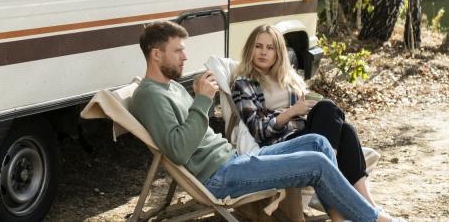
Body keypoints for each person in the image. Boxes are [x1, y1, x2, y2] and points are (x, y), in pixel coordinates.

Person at [129, 21, 402, 222]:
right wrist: (202, 101)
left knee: (319, 142)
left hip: (233, 160)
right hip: (219, 177)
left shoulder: (172, 88)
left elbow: (192, 131)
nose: (185, 57)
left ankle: (338, 215)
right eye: (177, 51)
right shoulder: (149, 96)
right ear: (156, 54)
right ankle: (375, 219)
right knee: (317, 162)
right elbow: (177, 149)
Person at [233, 25, 377, 206]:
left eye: (270, 48)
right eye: (258, 46)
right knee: (329, 111)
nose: (263, 52)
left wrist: (309, 107)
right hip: (282, 142)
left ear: (279, 52)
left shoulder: (288, 77)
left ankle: (369, 204)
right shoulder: (243, 83)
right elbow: (258, 129)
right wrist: (293, 111)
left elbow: (307, 114)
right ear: (250, 49)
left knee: (344, 127)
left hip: (305, 132)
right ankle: (332, 171)